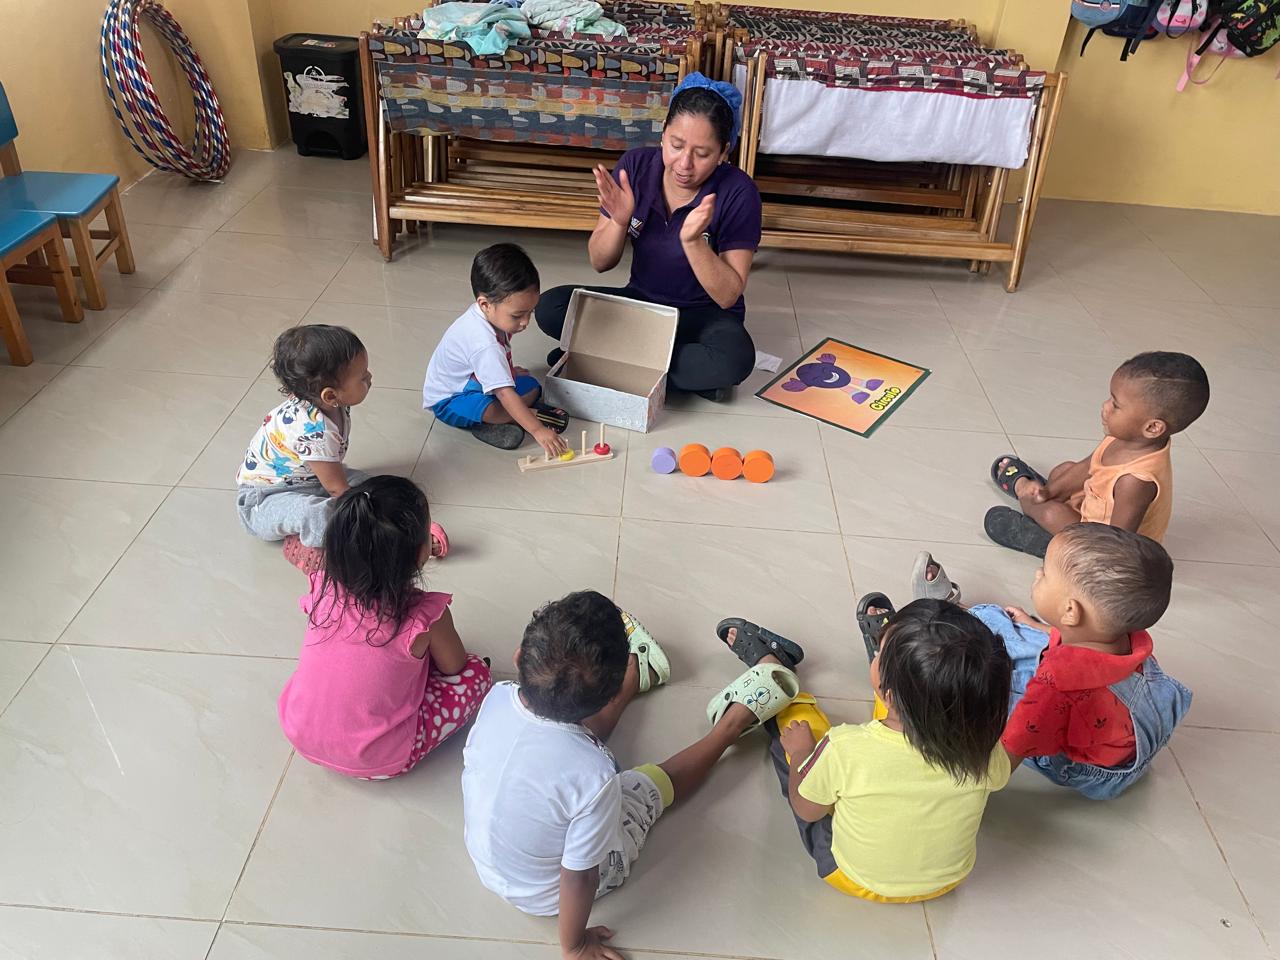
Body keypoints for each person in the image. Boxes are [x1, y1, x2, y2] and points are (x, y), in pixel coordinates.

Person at [461, 591, 800, 960]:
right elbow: (579, 875)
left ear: (518, 657)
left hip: (491, 865)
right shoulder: (595, 776)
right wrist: (574, 945)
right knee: (642, 790)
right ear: (603, 700)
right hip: (548, 892)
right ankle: (729, 727)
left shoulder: (497, 697)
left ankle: (635, 679)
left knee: (561, 732)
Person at [534, 73, 762, 403]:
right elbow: (600, 262)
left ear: (723, 152)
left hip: (701, 317)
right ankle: (675, 374)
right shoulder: (636, 167)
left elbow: (728, 296)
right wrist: (619, 221)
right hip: (640, 305)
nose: (684, 164)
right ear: (663, 134)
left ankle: (601, 360)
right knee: (550, 307)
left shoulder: (739, 192)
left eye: (702, 153)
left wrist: (693, 243)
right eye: (676, 145)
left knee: (734, 359)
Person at [765, 600, 1012, 903]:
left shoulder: (844, 747)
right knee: (922, 713)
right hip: (946, 881)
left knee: (801, 734)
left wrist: (801, 752)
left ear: (888, 690)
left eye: (881, 652)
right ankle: (908, 677)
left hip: (852, 877)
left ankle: (776, 679)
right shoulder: (986, 750)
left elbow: (807, 809)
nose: (877, 655)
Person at [278, 475, 492, 779]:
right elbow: (454, 666)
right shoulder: (426, 615)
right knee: (476, 674)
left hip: (300, 734)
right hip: (378, 759)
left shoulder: (322, 586)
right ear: (421, 553)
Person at [965, 523, 1192, 800]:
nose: (1037, 574)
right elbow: (1071, 636)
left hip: (1090, 772)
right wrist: (1034, 626)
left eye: (1045, 573)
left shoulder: (1056, 683)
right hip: (1128, 738)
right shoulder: (1123, 635)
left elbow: (1014, 748)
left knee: (984, 685)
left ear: (1070, 611)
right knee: (1010, 631)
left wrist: (970, 787)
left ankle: (949, 630)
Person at [237, 324, 447, 572]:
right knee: (317, 513)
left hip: (312, 479)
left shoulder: (332, 403)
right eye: (362, 377)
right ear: (330, 395)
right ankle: (366, 545)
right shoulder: (313, 430)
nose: (370, 377)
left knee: (373, 485)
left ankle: (406, 528)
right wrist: (371, 520)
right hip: (265, 500)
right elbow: (337, 489)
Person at [985, 351, 1210, 557]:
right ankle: (1042, 501)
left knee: (1049, 513)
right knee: (1065, 470)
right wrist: (1049, 491)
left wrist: (1045, 505)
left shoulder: (1135, 481)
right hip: (1095, 508)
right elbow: (1087, 467)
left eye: (1116, 405)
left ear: (1152, 427)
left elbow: (1116, 541)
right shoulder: (1125, 438)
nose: (1105, 406)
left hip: (1104, 542)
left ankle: (1030, 505)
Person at [423, 243, 570, 453]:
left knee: (533, 386)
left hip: (476, 384)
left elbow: (494, 363)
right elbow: (504, 392)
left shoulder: (493, 316)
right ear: (485, 304)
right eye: (517, 315)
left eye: (530, 312)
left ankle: (515, 415)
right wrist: (538, 430)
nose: (525, 322)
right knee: (498, 407)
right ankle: (511, 420)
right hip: (450, 400)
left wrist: (506, 372)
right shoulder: (484, 343)